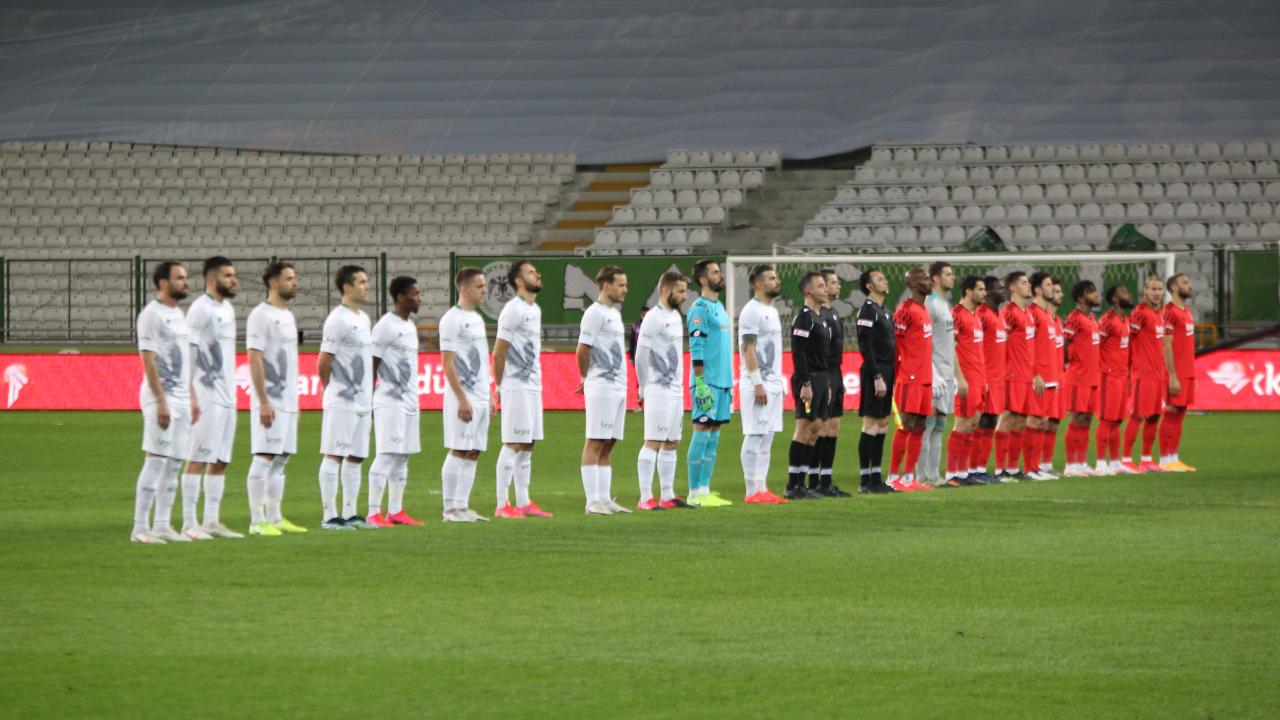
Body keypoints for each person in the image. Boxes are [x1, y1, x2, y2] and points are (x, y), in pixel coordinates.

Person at [130, 261, 199, 544]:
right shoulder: (151, 315)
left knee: (174, 463)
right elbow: (148, 360)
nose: (186, 282)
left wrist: (192, 395)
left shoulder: (179, 315)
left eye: (186, 277)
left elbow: (185, 360)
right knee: (156, 460)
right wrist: (160, 401)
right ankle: (139, 528)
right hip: (162, 398)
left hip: (182, 398)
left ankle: (161, 524)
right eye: (180, 278)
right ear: (163, 283)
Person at [244, 261, 306, 536]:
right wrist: (263, 401)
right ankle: (257, 521)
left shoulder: (288, 316)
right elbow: (254, 358)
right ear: (273, 282)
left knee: (281, 460)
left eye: (294, 278)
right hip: (270, 399)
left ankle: (275, 517)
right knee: (264, 456)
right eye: (289, 278)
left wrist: (296, 402)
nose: (295, 283)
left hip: (289, 401)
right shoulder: (260, 315)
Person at [183, 256, 242, 539]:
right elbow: (189, 353)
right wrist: (191, 394)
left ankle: (211, 520)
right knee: (198, 457)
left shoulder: (227, 309)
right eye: (228, 275)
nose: (234, 280)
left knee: (220, 460)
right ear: (211, 279)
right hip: (206, 395)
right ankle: (189, 523)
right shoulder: (199, 309)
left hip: (228, 397)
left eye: (234, 275)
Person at [492, 260, 554, 518]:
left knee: (528, 444)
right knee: (513, 442)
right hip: (515, 385)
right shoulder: (512, 310)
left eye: (536, 271)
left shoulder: (534, 309)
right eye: (530, 272)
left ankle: (523, 502)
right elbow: (499, 351)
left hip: (533, 385)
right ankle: (501, 504)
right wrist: (499, 386)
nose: (537, 274)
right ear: (518, 281)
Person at [317, 265, 375, 531]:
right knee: (334, 455)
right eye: (362, 282)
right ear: (347, 287)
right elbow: (324, 360)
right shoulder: (337, 319)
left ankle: (350, 513)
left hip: (363, 400)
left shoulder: (363, 318)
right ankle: (330, 515)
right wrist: (330, 388)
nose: (367, 286)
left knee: (356, 457)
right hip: (342, 400)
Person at [367, 276, 425, 527]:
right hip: (389, 400)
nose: (419, 298)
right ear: (401, 297)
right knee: (386, 454)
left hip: (410, 400)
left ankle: (395, 511)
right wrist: (368, 399)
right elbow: (372, 363)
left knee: (403, 457)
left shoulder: (409, 325)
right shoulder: (385, 326)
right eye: (414, 294)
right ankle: (373, 513)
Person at [635, 271, 694, 510]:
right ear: (666, 290)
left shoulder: (675, 317)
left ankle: (667, 495)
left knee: (672, 442)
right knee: (653, 441)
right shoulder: (653, 318)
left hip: (675, 389)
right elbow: (641, 355)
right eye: (680, 291)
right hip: (658, 389)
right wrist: (643, 386)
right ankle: (645, 498)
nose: (684, 296)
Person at [439, 267, 493, 522]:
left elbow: (481, 359)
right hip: (463, 397)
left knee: (474, 451)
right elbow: (447, 363)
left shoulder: (477, 319)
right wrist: (461, 398)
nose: (485, 291)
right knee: (459, 449)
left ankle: (462, 506)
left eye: (485, 286)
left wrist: (490, 394)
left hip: (481, 396)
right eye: (480, 286)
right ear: (464, 289)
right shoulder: (451, 319)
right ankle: (449, 510)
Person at [577, 265, 632, 515]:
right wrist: (585, 377)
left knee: (609, 442)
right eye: (621, 285)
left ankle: (605, 499)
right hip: (602, 385)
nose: (625, 290)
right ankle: (592, 501)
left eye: (625, 285)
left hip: (618, 385)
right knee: (596, 440)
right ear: (606, 286)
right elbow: (582, 349)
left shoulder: (614, 314)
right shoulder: (594, 313)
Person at [737, 264, 789, 503]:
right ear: (759, 284)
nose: (777, 281)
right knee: (755, 435)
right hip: (757, 384)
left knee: (767, 437)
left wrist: (778, 383)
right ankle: (751, 491)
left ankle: (762, 487)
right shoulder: (751, 311)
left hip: (773, 384)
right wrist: (757, 382)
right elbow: (748, 348)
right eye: (771, 278)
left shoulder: (772, 311)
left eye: (776, 277)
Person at [686, 259, 734, 506]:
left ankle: (705, 490)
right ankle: (694, 493)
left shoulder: (719, 306)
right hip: (707, 382)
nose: (721, 275)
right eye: (716, 272)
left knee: (713, 436)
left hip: (723, 382)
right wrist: (700, 383)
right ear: (703, 279)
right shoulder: (699, 309)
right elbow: (696, 347)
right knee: (702, 432)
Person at [886, 268, 934, 492]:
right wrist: (896, 375)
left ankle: (908, 477)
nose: (928, 281)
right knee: (905, 425)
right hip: (909, 378)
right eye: (924, 279)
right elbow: (894, 345)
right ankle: (892, 476)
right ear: (913, 284)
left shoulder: (923, 309)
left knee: (920, 426)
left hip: (925, 378)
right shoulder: (905, 311)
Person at [1123, 276, 1177, 473]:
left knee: (1154, 416)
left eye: (1159, 289)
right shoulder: (1139, 313)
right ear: (1145, 290)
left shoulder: (1161, 314)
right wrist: (1129, 370)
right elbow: (1128, 341)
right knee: (1137, 415)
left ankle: (1146, 459)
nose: (1156, 293)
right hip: (1142, 373)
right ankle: (1126, 459)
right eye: (1153, 289)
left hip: (1158, 374)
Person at [918, 261, 965, 487]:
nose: (952, 277)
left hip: (945, 374)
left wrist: (955, 375)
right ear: (935, 278)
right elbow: (923, 341)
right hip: (933, 374)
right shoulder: (929, 303)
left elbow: (950, 344)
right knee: (927, 425)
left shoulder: (945, 304)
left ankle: (934, 475)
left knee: (939, 426)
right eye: (948, 274)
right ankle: (920, 477)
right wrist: (932, 372)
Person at [787, 271, 830, 499]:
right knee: (804, 428)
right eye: (820, 286)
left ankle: (802, 483)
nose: (825, 289)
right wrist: (805, 383)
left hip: (821, 378)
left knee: (816, 429)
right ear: (807, 291)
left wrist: (826, 383)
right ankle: (792, 484)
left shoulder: (820, 317)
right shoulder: (804, 318)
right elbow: (799, 352)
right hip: (808, 379)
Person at [854, 268, 896, 494]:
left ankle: (876, 478)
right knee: (870, 423)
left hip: (888, 370)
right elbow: (865, 345)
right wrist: (876, 376)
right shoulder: (867, 310)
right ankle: (865, 480)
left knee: (882, 423)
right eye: (880, 279)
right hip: (875, 371)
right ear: (869, 286)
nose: (885, 281)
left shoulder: (884, 311)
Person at [994, 271, 1038, 481]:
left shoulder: (1028, 313)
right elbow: (1000, 344)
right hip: (1012, 374)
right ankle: (999, 469)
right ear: (1013, 288)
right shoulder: (1008, 313)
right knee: (1007, 418)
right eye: (1023, 283)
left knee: (1021, 421)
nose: (1028, 286)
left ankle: (1012, 467)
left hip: (1026, 375)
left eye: (1028, 282)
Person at [947, 275, 990, 486]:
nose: (984, 293)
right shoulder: (956, 314)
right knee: (962, 423)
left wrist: (984, 379)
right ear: (968, 291)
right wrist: (960, 378)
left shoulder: (976, 316)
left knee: (973, 424)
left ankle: (964, 472)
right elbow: (950, 347)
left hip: (979, 379)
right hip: (965, 379)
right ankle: (952, 473)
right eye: (980, 289)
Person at [814, 268, 851, 496]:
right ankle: (814, 479)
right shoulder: (819, 316)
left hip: (836, 373)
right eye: (834, 283)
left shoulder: (834, 313)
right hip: (824, 374)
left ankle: (826, 479)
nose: (838, 286)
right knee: (820, 427)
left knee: (833, 427)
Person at [1062, 279, 1102, 477]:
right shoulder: (1074, 318)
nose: (1095, 294)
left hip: (1092, 378)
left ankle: (1082, 462)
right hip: (1078, 377)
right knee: (1076, 419)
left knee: (1086, 419)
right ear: (1080, 297)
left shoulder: (1093, 319)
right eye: (1090, 292)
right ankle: (1071, 465)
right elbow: (1064, 343)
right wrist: (1068, 364)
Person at [1024, 272, 1061, 481]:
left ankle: (1035, 466)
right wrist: (1035, 374)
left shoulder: (1047, 314)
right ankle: (1028, 468)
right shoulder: (1032, 313)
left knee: (1043, 422)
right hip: (1039, 377)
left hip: (1051, 376)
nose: (1052, 288)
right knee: (1034, 420)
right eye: (1048, 285)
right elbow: (1027, 347)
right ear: (1038, 290)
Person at [1159, 274, 1197, 472]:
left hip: (1188, 371)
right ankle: (1164, 459)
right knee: (1171, 412)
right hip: (1176, 372)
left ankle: (1174, 458)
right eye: (1185, 283)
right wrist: (1172, 375)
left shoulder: (1187, 311)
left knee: (1180, 414)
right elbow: (1166, 346)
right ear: (1174, 288)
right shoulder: (1168, 312)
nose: (1189, 285)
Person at [1095, 285, 1134, 475]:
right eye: (1124, 293)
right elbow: (1096, 347)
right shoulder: (1107, 321)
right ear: (1115, 299)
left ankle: (1115, 462)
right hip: (1108, 376)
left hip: (1122, 376)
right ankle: (1101, 463)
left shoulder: (1125, 320)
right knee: (1106, 420)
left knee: (1118, 420)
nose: (1129, 295)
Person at [973, 275, 1007, 481]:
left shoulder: (999, 314)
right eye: (999, 288)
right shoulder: (982, 314)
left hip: (997, 378)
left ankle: (981, 468)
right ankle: (972, 469)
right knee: (981, 421)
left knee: (991, 421)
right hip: (984, 376)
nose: (1003, 291)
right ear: (988, 292)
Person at [627, 305, 648, 411]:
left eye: (647, 314)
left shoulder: (652, 326)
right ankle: (639, 404)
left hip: (650, 358)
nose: (645, 316)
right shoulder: (635, 326)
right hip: (638, 358)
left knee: (650, 381)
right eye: (643, 314)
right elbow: (631, 342)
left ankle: (648, 403)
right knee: (639, 381)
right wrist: (631, 357)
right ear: (641, 314)